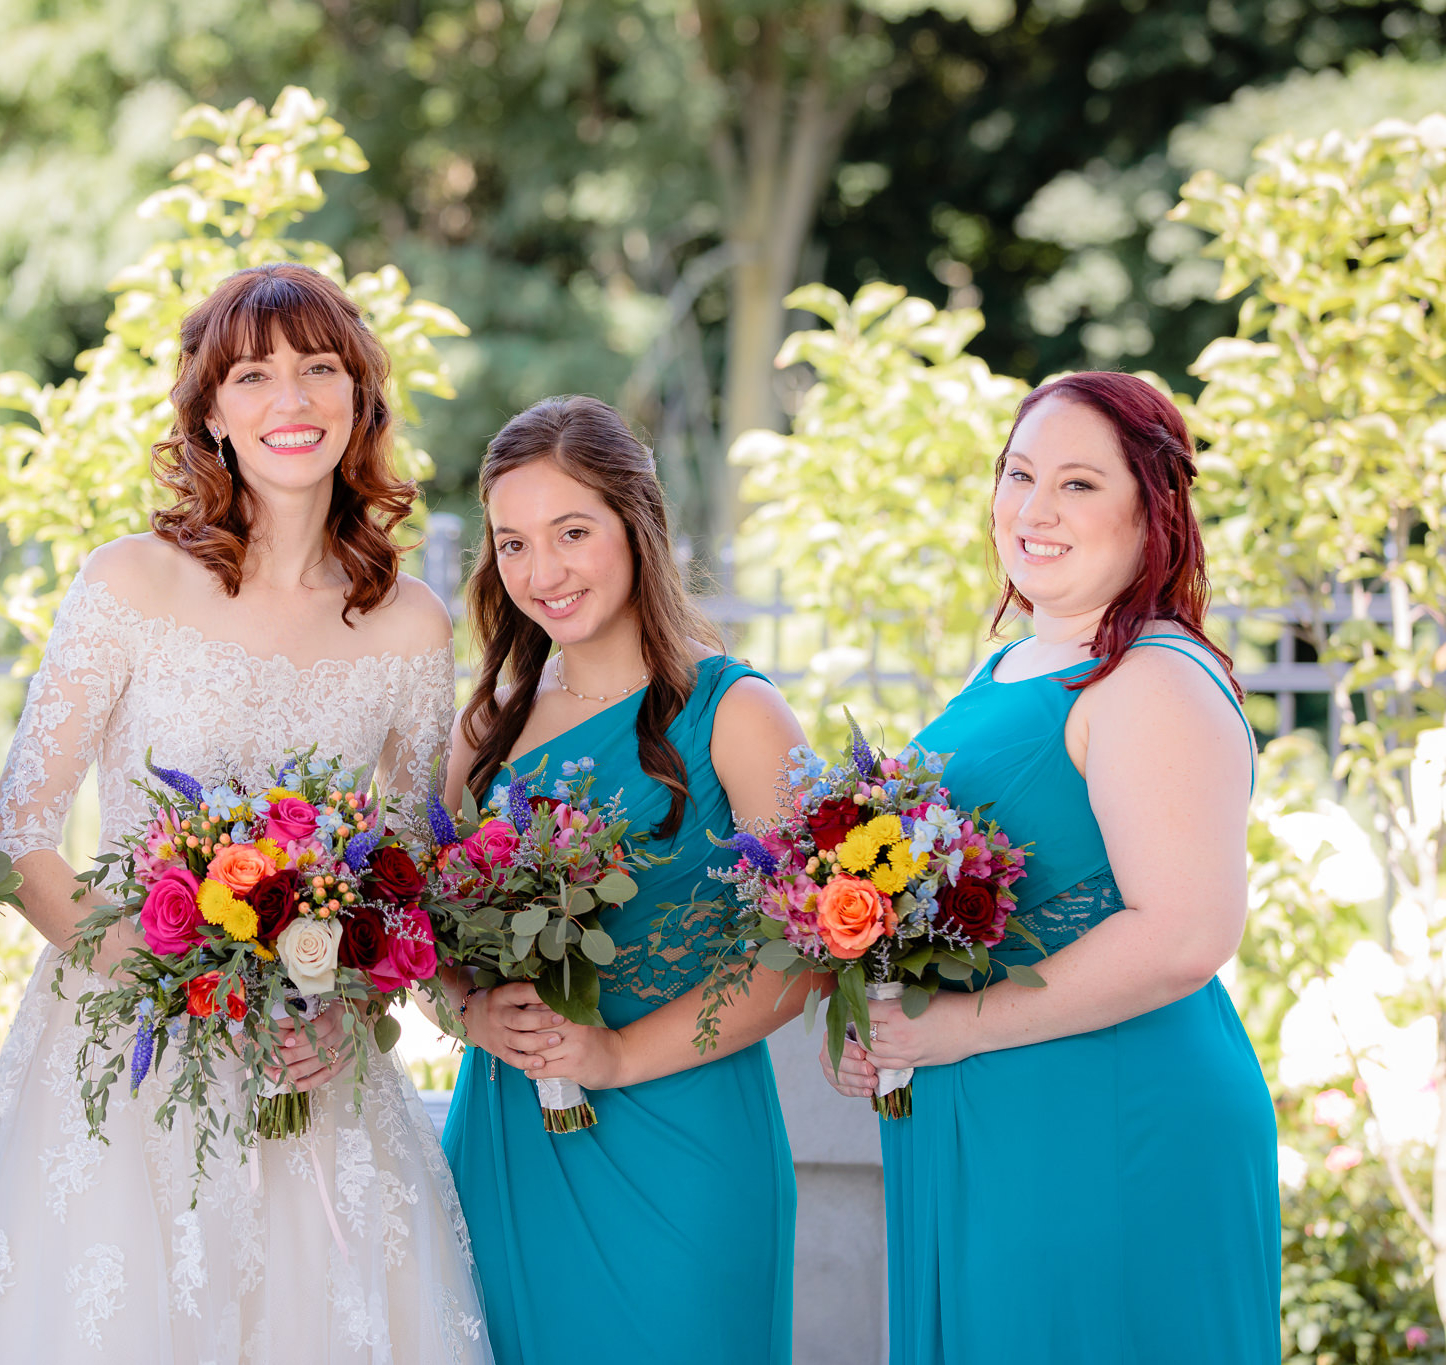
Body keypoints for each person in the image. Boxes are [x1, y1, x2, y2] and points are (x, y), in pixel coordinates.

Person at [0, 262, 490, 1363]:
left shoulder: (408, 622)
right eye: (253, 375)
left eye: (320, 370)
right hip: (132, 1053)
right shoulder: (131, 583)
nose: (291, 402)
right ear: (210, 412)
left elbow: (407, 885)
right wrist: (172, 980)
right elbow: (18, 828)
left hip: (316, 1074)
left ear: (359, 396)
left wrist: (347, 1008)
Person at [821, 371, 1279, 1363]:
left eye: (1076, 484)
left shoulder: (1148, 677)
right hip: (997, 1125)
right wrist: (886, 1016)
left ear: (1148, 511)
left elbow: (1183, 935)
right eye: (1018, 474)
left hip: (1107, 1127)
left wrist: (948, 1029)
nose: (1033, 508)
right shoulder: (1014, 664)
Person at [437, 396, 813, 1365]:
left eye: (571, 532)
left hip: (686, 1142)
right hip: (509, 1138)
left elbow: (805, 959)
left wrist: (612, 1058)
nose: (542, 571)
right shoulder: (485, 735)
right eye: (512, 544)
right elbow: (422, 937)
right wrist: (470, 1017)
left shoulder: (737, 713)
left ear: (635, 525)